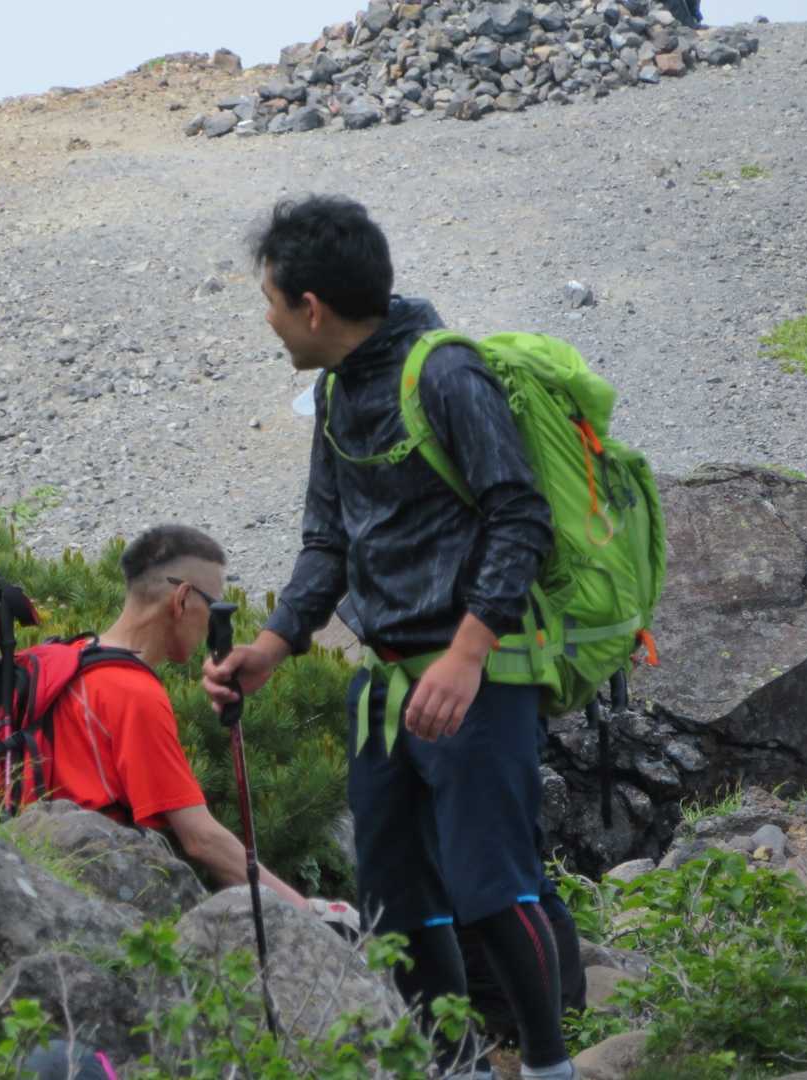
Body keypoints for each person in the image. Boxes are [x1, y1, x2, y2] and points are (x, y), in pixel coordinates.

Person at [203, 196, 576, 1080]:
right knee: (396, 901)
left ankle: (553, 1067)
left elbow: (519, 517)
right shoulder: (337, 391)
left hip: (478, 674)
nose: (267, 320)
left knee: (492, 887)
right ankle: (456, 1068)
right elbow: (328, 541)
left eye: (270, 301)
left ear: (311, 308)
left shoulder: (445, 374)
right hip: (387, 685)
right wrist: (271, 646)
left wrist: (468, 655)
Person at [30, 523, 356, 933]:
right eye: (216, 609)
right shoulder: (133, 693)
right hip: (93, 895)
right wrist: (307, 912)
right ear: (182, 599)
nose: (215, 629)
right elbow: (201, 839)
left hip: (37, 866)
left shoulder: (67, 655)